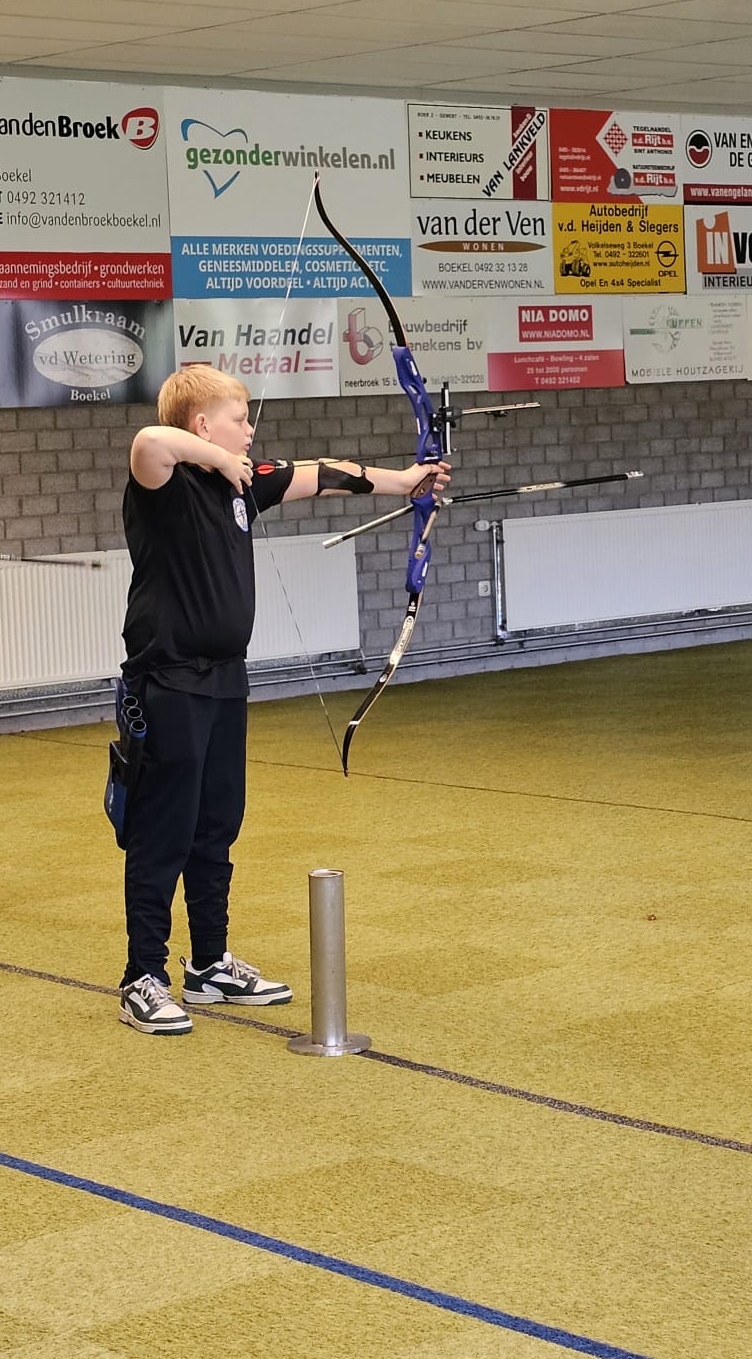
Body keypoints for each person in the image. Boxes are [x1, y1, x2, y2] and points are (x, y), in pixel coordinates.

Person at [112, 367, 449, 1036]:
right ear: (203, 425)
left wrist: (406, 482)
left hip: (225, 680)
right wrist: (218, 461)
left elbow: (324, 474)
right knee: (163, 831)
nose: (249, 431)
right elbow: (150, 442)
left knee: (217, 824)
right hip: (168, 681)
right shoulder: (163, 483)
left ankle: (208, 964)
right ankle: (142, 976)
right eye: (238, 420)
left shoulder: (243, 482)